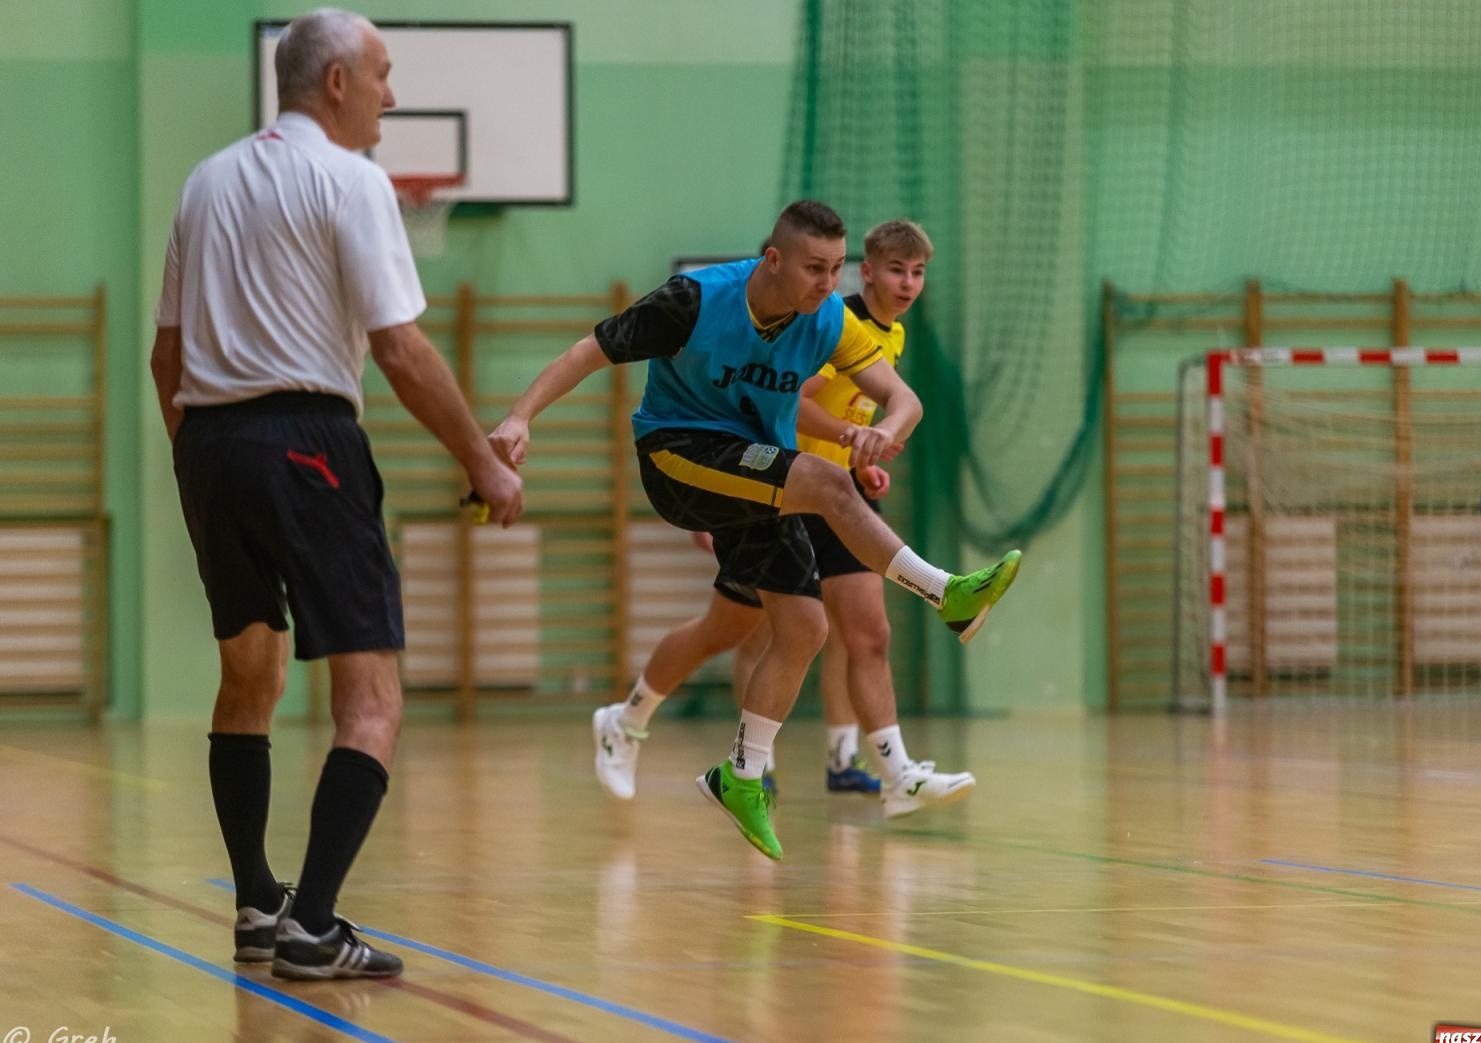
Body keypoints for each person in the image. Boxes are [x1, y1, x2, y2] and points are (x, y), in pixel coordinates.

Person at [151, 8, 522, 980]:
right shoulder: (351, 181)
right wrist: (483, 461)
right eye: (385, 74)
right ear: (338, 84)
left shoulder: (205, 180)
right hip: (307, 439)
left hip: (207, 442)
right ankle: (314, 922)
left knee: (251, 674)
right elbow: (399, 347)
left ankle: (256, 903)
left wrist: (203, 457)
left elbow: (165, 355)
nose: (395, 96)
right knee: (370, 698)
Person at [489, 200, 1020, 861]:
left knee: (802, 628)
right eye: (813, 269)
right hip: (678, 454)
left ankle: (737, 774)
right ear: (773, 260)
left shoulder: (828, 319)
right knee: (828, 489)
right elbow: (588, 352)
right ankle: (947, 594)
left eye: (835, 270)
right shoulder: (694, 299)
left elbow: (901, 398)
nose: (827, 285)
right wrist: (519, 418)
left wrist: (882, 433)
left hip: (761, 478)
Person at [631, 222, 974, 817]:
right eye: (896, 270)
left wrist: (863, 458)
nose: (908, 283)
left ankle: (878, 769)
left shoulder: (889, 336)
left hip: (836, 494)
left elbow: (882, 409)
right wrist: (841, 440)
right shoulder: (833, 326)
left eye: (917, 273)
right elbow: (794, 403)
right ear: (863, 271)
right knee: (742, 631)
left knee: (858, 633)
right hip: (788, 490)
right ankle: (654, 724)